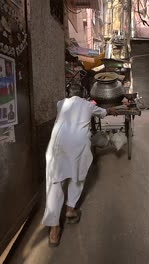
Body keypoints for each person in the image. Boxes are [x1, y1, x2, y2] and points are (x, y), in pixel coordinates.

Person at [42, 85, 117, 246]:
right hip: (78, 144)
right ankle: (70, 210)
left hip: (58, 144)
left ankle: (54, 231)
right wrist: (113, 109)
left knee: (55, 183)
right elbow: (104, 113)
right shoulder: (88, 105)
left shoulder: (61, 103)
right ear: (84, 95)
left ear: (68, 94)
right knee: (77, 177)